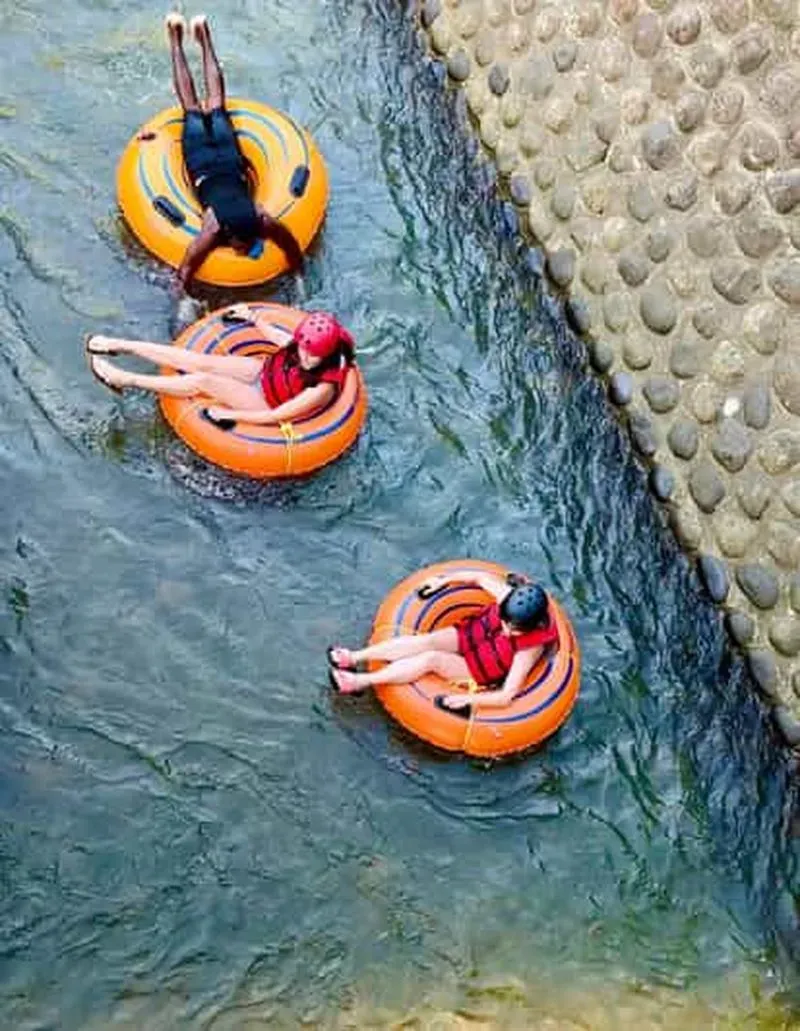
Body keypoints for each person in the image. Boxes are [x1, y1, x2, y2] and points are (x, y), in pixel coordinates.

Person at [164, 12, 305, 293]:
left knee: (211, 105)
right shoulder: (216, 229)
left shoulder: (260, 221)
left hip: (222, 160)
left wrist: (299, 275)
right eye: (245, 247)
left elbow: (289, 244)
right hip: (208, 161)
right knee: (195, 106)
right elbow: (187, 268)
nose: (243, 251)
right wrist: (182, 298)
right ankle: (179, 41)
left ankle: (195, 38)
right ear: (236, 235)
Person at [85, 305, 355, 426]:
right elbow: (281, 339)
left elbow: (277, 416)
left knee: (204, 380)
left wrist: (231, 416)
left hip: (267, 401)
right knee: (199, 361)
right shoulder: (302, 346)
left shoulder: (323, 388)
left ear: (327, 354)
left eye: (312, 355)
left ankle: (124, 380)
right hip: (264, 373)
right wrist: (254, 318)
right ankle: (120, 345)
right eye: (303, 349)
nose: (305, 357)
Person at [327, 571, 559, 710]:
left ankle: (361, 681)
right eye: (505, 622)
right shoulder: (506, 597)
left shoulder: (531, 648)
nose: (506, 631)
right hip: (470, 636)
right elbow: (478, 577)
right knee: (427, 641)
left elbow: (507, 695)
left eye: (514, 630)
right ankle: (354, 657)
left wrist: (467, 700)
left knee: (432, 659)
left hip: (476, 670)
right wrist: (444, 581)